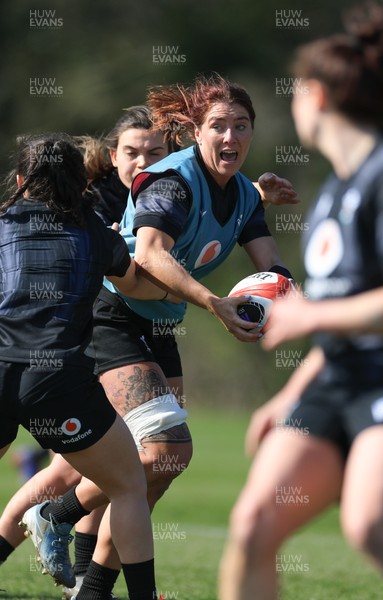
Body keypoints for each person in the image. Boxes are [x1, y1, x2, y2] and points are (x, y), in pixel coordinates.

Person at [0, 102, 298, 600]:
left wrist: (290, 294)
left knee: (146, 469)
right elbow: (143, 262)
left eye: (154, 151)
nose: (144, 162)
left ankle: (89, 586)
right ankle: (53, 520)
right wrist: (211, 302)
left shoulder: (222, 190)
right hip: (107, 323)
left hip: (158, 329)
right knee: (156, 454)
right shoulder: (108, 197)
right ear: (112, 155)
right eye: (133, 152)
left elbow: (267, 261)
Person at [218, 3, 383, 599]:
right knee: (253, 525)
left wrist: (311, 314)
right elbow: (345, 321)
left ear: (313, 96)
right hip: (335, 377)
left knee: (370, 528)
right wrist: (288, 395)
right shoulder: (334, 191)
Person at [0, 132, 176, 599]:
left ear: (19, 180)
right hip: (56, 380)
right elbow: (139, 285)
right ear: (82, 183)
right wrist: (187, 290)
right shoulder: (93, 230)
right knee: (127, 485)